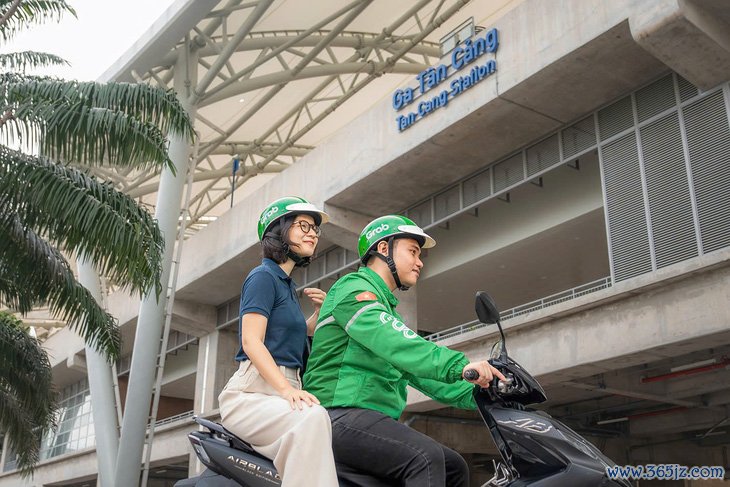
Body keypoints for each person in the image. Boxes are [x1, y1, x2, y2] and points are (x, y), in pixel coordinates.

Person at [303, 214, 506, 487]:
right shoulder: (352, 289)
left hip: (367, 419)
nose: (420, 262)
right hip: (336, 414)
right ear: (384, 249)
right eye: (413, 251)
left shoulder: (387, 313)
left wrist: (484, 393)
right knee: (425, 457)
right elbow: (400, 345)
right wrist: (460, 365)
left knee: (453, 467)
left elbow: (420, 373)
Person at [218, 196, 338, 487]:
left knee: (316, 427)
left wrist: (316, 318)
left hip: (285, 391)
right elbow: (252, 341)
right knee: (313, 418)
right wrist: (286, 390)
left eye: (315, 229)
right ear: (279, 231)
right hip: (252, 393)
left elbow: (289, 337)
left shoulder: (287, 285)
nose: (312, 233)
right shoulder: (262, 277)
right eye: (303, 226)